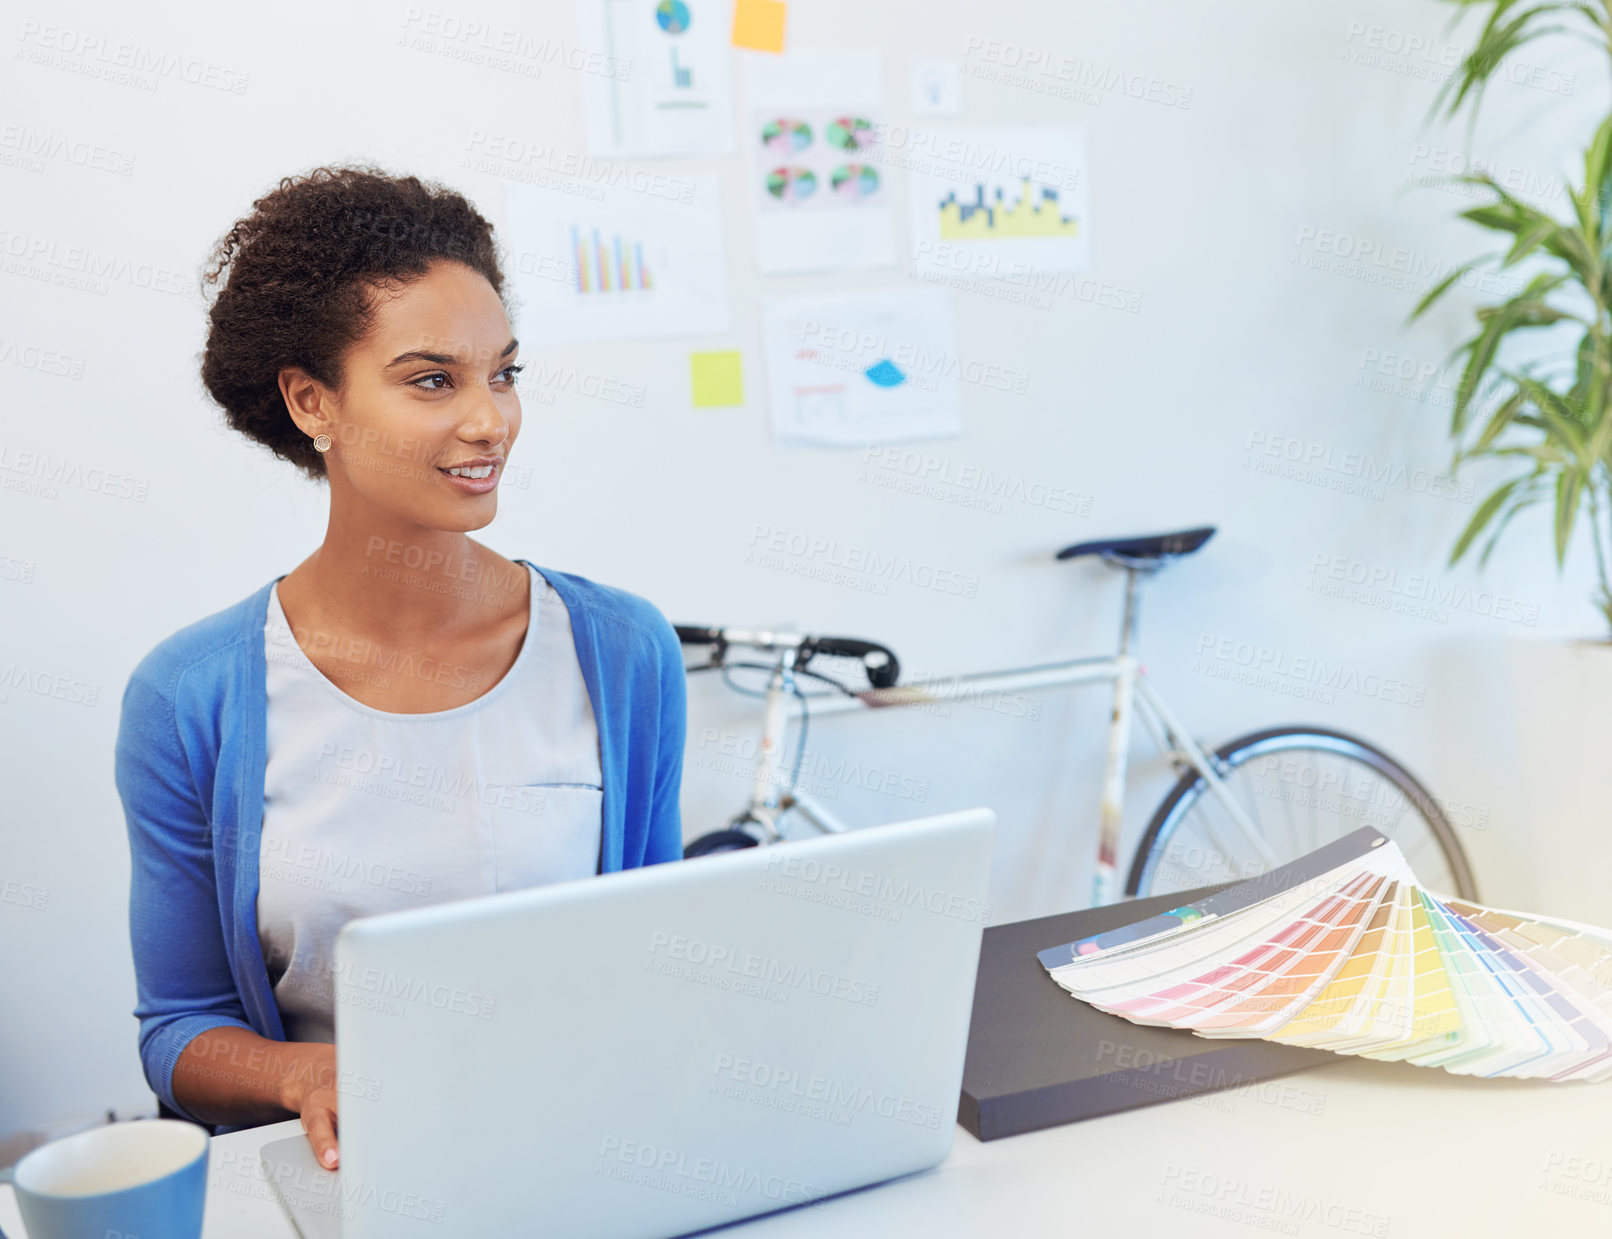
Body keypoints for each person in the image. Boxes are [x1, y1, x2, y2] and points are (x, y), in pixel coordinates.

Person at [112, 164, 686, 1173]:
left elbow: (656, 959)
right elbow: (179, 1033)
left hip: (583, 1152)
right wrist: (302, 1077)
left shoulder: (623, 653)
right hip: (351, 1177)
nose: (488, 421)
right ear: (310, 401)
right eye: (433, 380)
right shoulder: (191, 696)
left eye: (503, 374)